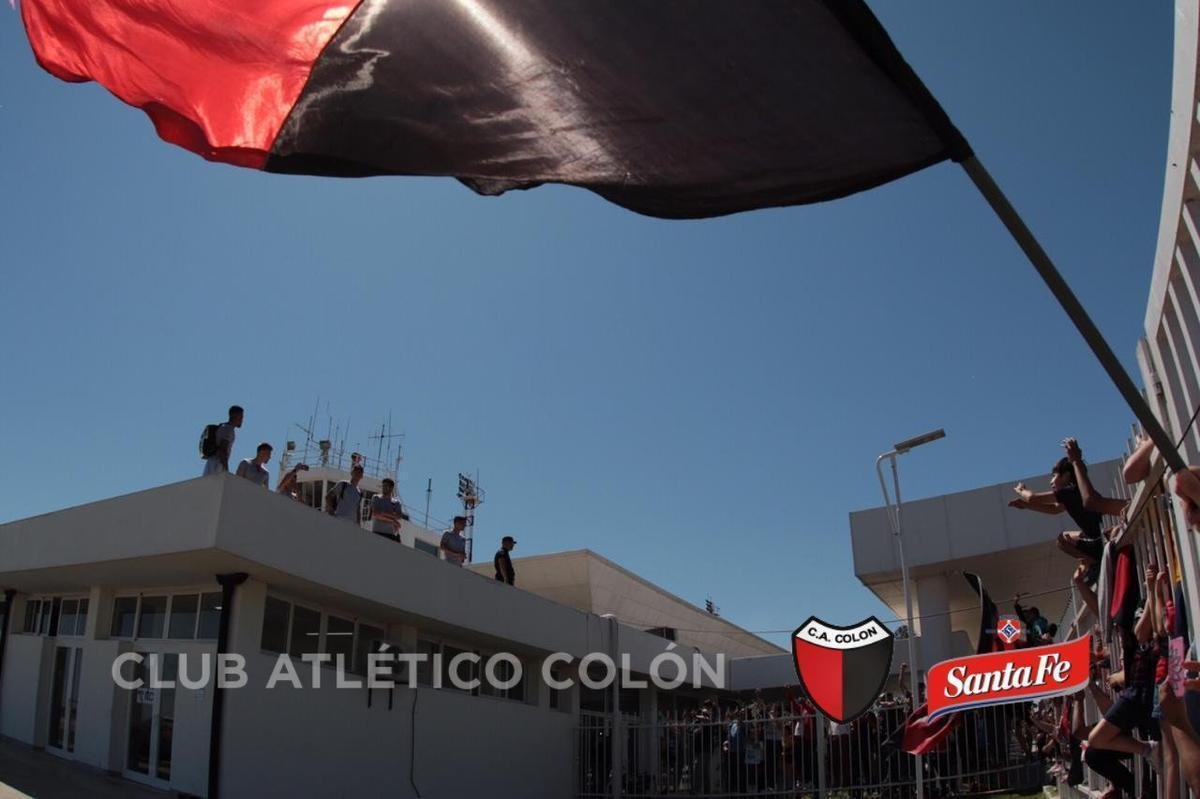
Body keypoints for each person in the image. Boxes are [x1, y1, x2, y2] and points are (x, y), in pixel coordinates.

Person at [1010, 438, 1127, 564]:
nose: (1051, 482)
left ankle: (1092, 561)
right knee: (1063, 538)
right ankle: (1090, 558)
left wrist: (1021, 490)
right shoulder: (1074, 494)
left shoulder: (1069, 491)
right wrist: (1026, 506)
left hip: (1097, 540)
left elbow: (1033, 497)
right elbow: (1055, 509)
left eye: (1053, 476)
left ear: (1066, 475)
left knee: (1062, 540)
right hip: (1097, 536)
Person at [202, 405, 243, 475]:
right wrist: (225, 469)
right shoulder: (228, 429)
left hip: (212, 462)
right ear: (233, 415)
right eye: (240, 416)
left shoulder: (224, 427)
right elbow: (223, 450)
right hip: (217, 463)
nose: (242, 419)